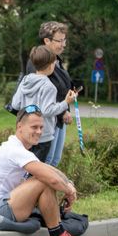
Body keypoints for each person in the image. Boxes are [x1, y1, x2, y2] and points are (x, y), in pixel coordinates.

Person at [0, 106, 89, 236]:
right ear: (20, 127)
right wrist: (68, 191)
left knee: (44, 177)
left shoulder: (19, 149)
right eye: (34, 127)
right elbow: (50, 178)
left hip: (3, 205)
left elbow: (49, 170)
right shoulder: (15, 150)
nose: (39, 132)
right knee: (43, 180)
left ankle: (58, 235)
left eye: (41, 127)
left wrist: (69, 183)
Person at [12, 46, 77, 162]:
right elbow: (47, 111)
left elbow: (16, 104)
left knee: (26, 166)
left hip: (26, 132)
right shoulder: (49, 86)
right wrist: (66, 102)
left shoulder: (25, 80)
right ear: (51, 64)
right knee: (40, 170)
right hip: (42, 135)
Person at [25, 21, 73, 167]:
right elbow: (39, 96)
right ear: (47, 40)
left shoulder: (56, 60)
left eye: (64, 40)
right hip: (46, 121)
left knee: (53, 161)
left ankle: (46, 190)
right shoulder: (38, 63)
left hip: (58, 118)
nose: (63, 44)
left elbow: (59, 87)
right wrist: (62, 111)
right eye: (59, 41)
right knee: (45, 163)